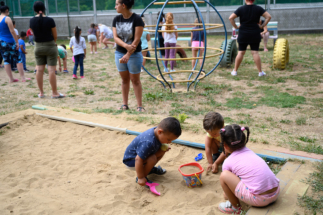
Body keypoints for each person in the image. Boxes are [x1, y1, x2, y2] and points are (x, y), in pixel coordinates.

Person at [218, 124, 280, 214]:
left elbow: (227, 187)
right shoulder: (250, 152)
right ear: (244, 140)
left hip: (260, 200)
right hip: (276, 193)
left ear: (225, 146)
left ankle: (235, 207)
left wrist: (227, 194)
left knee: (224, 176)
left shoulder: (228, 162)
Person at [123, 117, 181, 186]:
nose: (169, 142)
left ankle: (150, 169)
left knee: (162, 151)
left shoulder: (157, 132)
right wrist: (140, 177)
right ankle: (143, 177)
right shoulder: (149, 142)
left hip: (140, 157)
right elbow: (138, 159)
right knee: (152, 158)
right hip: (132, 161)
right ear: (160, 132)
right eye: (168, 139)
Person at [112, 0, 145, 112]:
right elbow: (115, 38)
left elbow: (136, 39)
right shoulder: (116, 19)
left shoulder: (137, 19)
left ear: (123, 5)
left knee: (135, 80)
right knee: (124, 79)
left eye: (117, 4)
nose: (115, 6)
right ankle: (124, 104)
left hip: (134, 54)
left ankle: (140, 106)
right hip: (119, 53)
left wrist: (128, 54)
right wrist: (126, 47)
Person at [30, 1, 64, 98]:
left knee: (39, 70)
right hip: (50, 46)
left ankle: (41, 93)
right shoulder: (50, 20)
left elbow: (33, 33)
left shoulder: (31, 20)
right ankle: (54, 93)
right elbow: (55, 36)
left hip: (38, 47)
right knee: (51, 70)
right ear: (44, 8)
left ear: (35, 10)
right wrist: (53, 43)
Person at [229, 0, 271, 77]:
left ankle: (235, 71)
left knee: (241, 52)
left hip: (243, 34)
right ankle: (260, 72)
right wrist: (262, 26)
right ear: (253, 0)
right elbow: (268, 17)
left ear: (245, 0)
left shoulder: (241, 9)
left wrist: (236, 27)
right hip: (254, 33)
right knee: (255, 53)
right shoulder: (258, 8)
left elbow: (231, 18)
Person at [0, 1, 30, 83]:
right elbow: (12, 31)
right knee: (18, 59)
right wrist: (17, 42)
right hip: (9, 41)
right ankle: (23, 78)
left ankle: (11, 79)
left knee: (6, 60)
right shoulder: (7, 18)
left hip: (1, 43)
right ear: (7, 10)